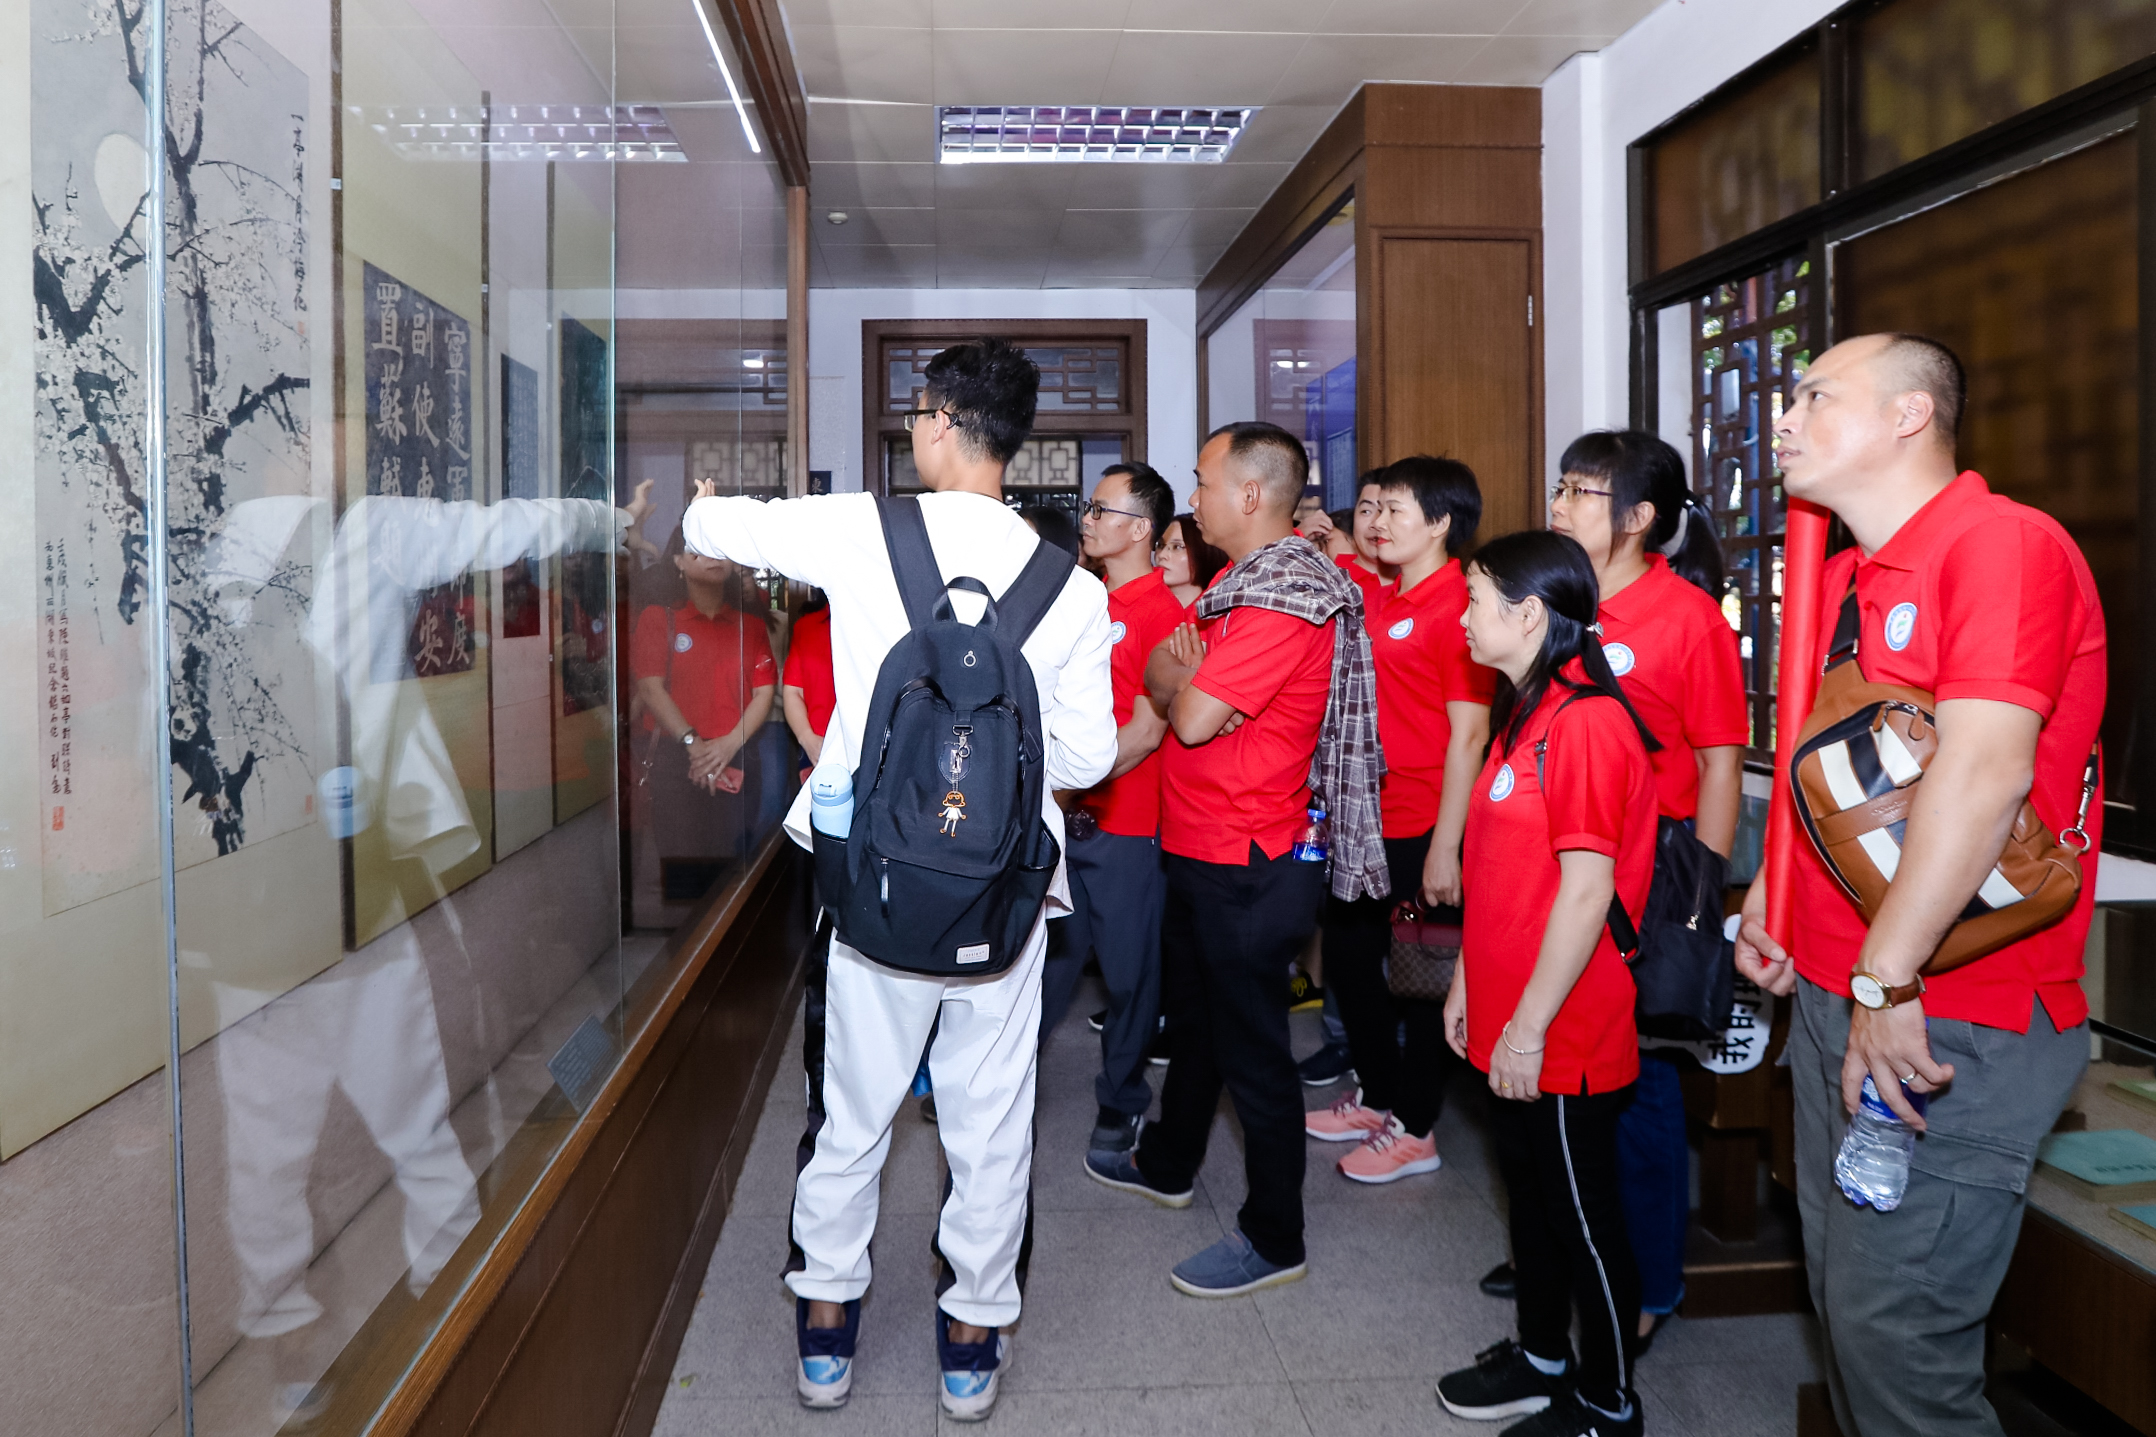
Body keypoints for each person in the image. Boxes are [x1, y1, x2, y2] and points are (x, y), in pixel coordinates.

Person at [679, 337, 1116, 1421]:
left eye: (918, 415)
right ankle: (970, 1338)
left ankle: (827, 1329)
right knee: (990, 1121)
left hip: (873, 885)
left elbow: (714, 532)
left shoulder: (864, 528)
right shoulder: (1071, 586)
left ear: (940, 422)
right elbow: (1088, 754)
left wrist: (702, 503)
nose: (914, 430)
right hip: (1005, 898)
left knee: (852, 1110)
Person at [1734, 334, 2104, 1437]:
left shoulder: (2000, 545)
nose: (1783, 420)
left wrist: (1887, 981)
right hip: (1839, 992)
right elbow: (1831, 764)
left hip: (1948, 1012)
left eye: (1815, 396)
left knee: (1899, 1343)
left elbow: (1983, 775)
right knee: (1849, 1317)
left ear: (1909, 415)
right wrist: (1774, 891)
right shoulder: (1842, 573)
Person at [1085, 421, 1386, 1297]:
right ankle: (1171, 1161)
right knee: (1197, 1023)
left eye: (1203, 482)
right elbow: (1164, 681)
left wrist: (1180, 677)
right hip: (1198, 842)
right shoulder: (1234, 585)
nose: (1194, 499)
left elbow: (1185, 716)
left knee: (1254, 1052)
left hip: (1249, 857)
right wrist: (1177, 674)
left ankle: (1274, 1234)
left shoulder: (1284, 599)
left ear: (1251, 495)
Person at [1438, 530, 1658, 1437]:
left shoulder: (1587, 722)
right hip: (1509, 1004)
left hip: (1562, 1019)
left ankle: (1609, 1403)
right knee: (1529, 1197)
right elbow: (1499, 872)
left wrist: (1527, 1028)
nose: (1462, 616)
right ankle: (1540, 1356)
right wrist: (1465, 980)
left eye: (1475, 599)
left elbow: (1586, 890)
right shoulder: (1527, 709)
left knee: (1582, 1217)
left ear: (1528, 614)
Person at [1549, 430, 1746, 1352]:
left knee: (1640, 1091)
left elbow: (1719, 764)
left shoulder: (1686, 618)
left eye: (1580, 492)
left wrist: (1698, 899)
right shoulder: (1559, 602)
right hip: (1559, 867)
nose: (1559, 505)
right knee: (1561, 1074)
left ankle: (1652, 1280)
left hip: (1647, 883)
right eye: (1560, 487)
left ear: (1637, 517)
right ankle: (1576, 1248)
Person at [1307, 456, 1496, 1182]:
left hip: (1424, 822)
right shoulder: (1385, 595)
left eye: (1394, 510)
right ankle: (1380, 1094)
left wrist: (1447, 846)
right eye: (1374, 508)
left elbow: (1469, 736)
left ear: (1441, 522)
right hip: (1367, 819)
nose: (1377, 522)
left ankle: (1416, 1127)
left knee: (1422, 979)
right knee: (1350, 962)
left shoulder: (1458, 604)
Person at [1039, 461, 1187, 1155]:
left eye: (1102, 510)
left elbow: (1148, 730)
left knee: (1130, 976)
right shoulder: (1085, 600)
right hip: (1069, 818)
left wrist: (1060, 790)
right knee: (1048, 962)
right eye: (1090, 508)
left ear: (1141, 529)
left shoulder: (1164, 616)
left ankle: (1123, 1098)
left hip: (1127, 824)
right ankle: (999, 1083)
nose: (1088, 519)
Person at [630, 529, 777, 903]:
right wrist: (694, 745)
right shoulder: (658, 619)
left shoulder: (750, 626)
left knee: (732, 874)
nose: (713, 556)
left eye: (720, 548)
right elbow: (650, 688)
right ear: (678, 562)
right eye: (699, 549)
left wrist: (727, 745)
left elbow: (764, 693)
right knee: (683, 877)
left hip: (736, 755)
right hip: (675, 759)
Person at [781, 592, 835, 777]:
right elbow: (793, 691)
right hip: (816, 748)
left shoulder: (884, 625)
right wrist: (807, 738)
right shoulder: (806, 626)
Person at [1155, 511, 1228, 612]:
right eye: (1160, 545)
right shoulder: (1143, 609)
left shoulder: (1217, 616)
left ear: (1204, 552)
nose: (1161, 555)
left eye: (1177, 547)